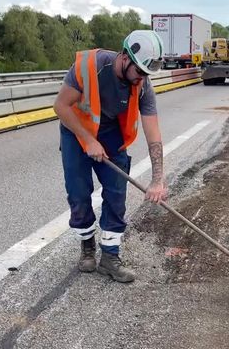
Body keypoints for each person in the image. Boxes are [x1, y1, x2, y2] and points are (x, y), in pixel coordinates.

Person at [53, 30, 168, 283]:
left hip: (110, 132)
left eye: (146, 75)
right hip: (76, 131)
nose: (142, 79)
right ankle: (87, 247)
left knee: (116, 193)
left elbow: (154, 134)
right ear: (125, 57)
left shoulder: (142, 85)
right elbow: (60, 106)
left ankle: (110, 257)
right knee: (78, 192)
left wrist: (158, 179)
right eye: (139, 72)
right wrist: (87, 139)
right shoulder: (89, 67)